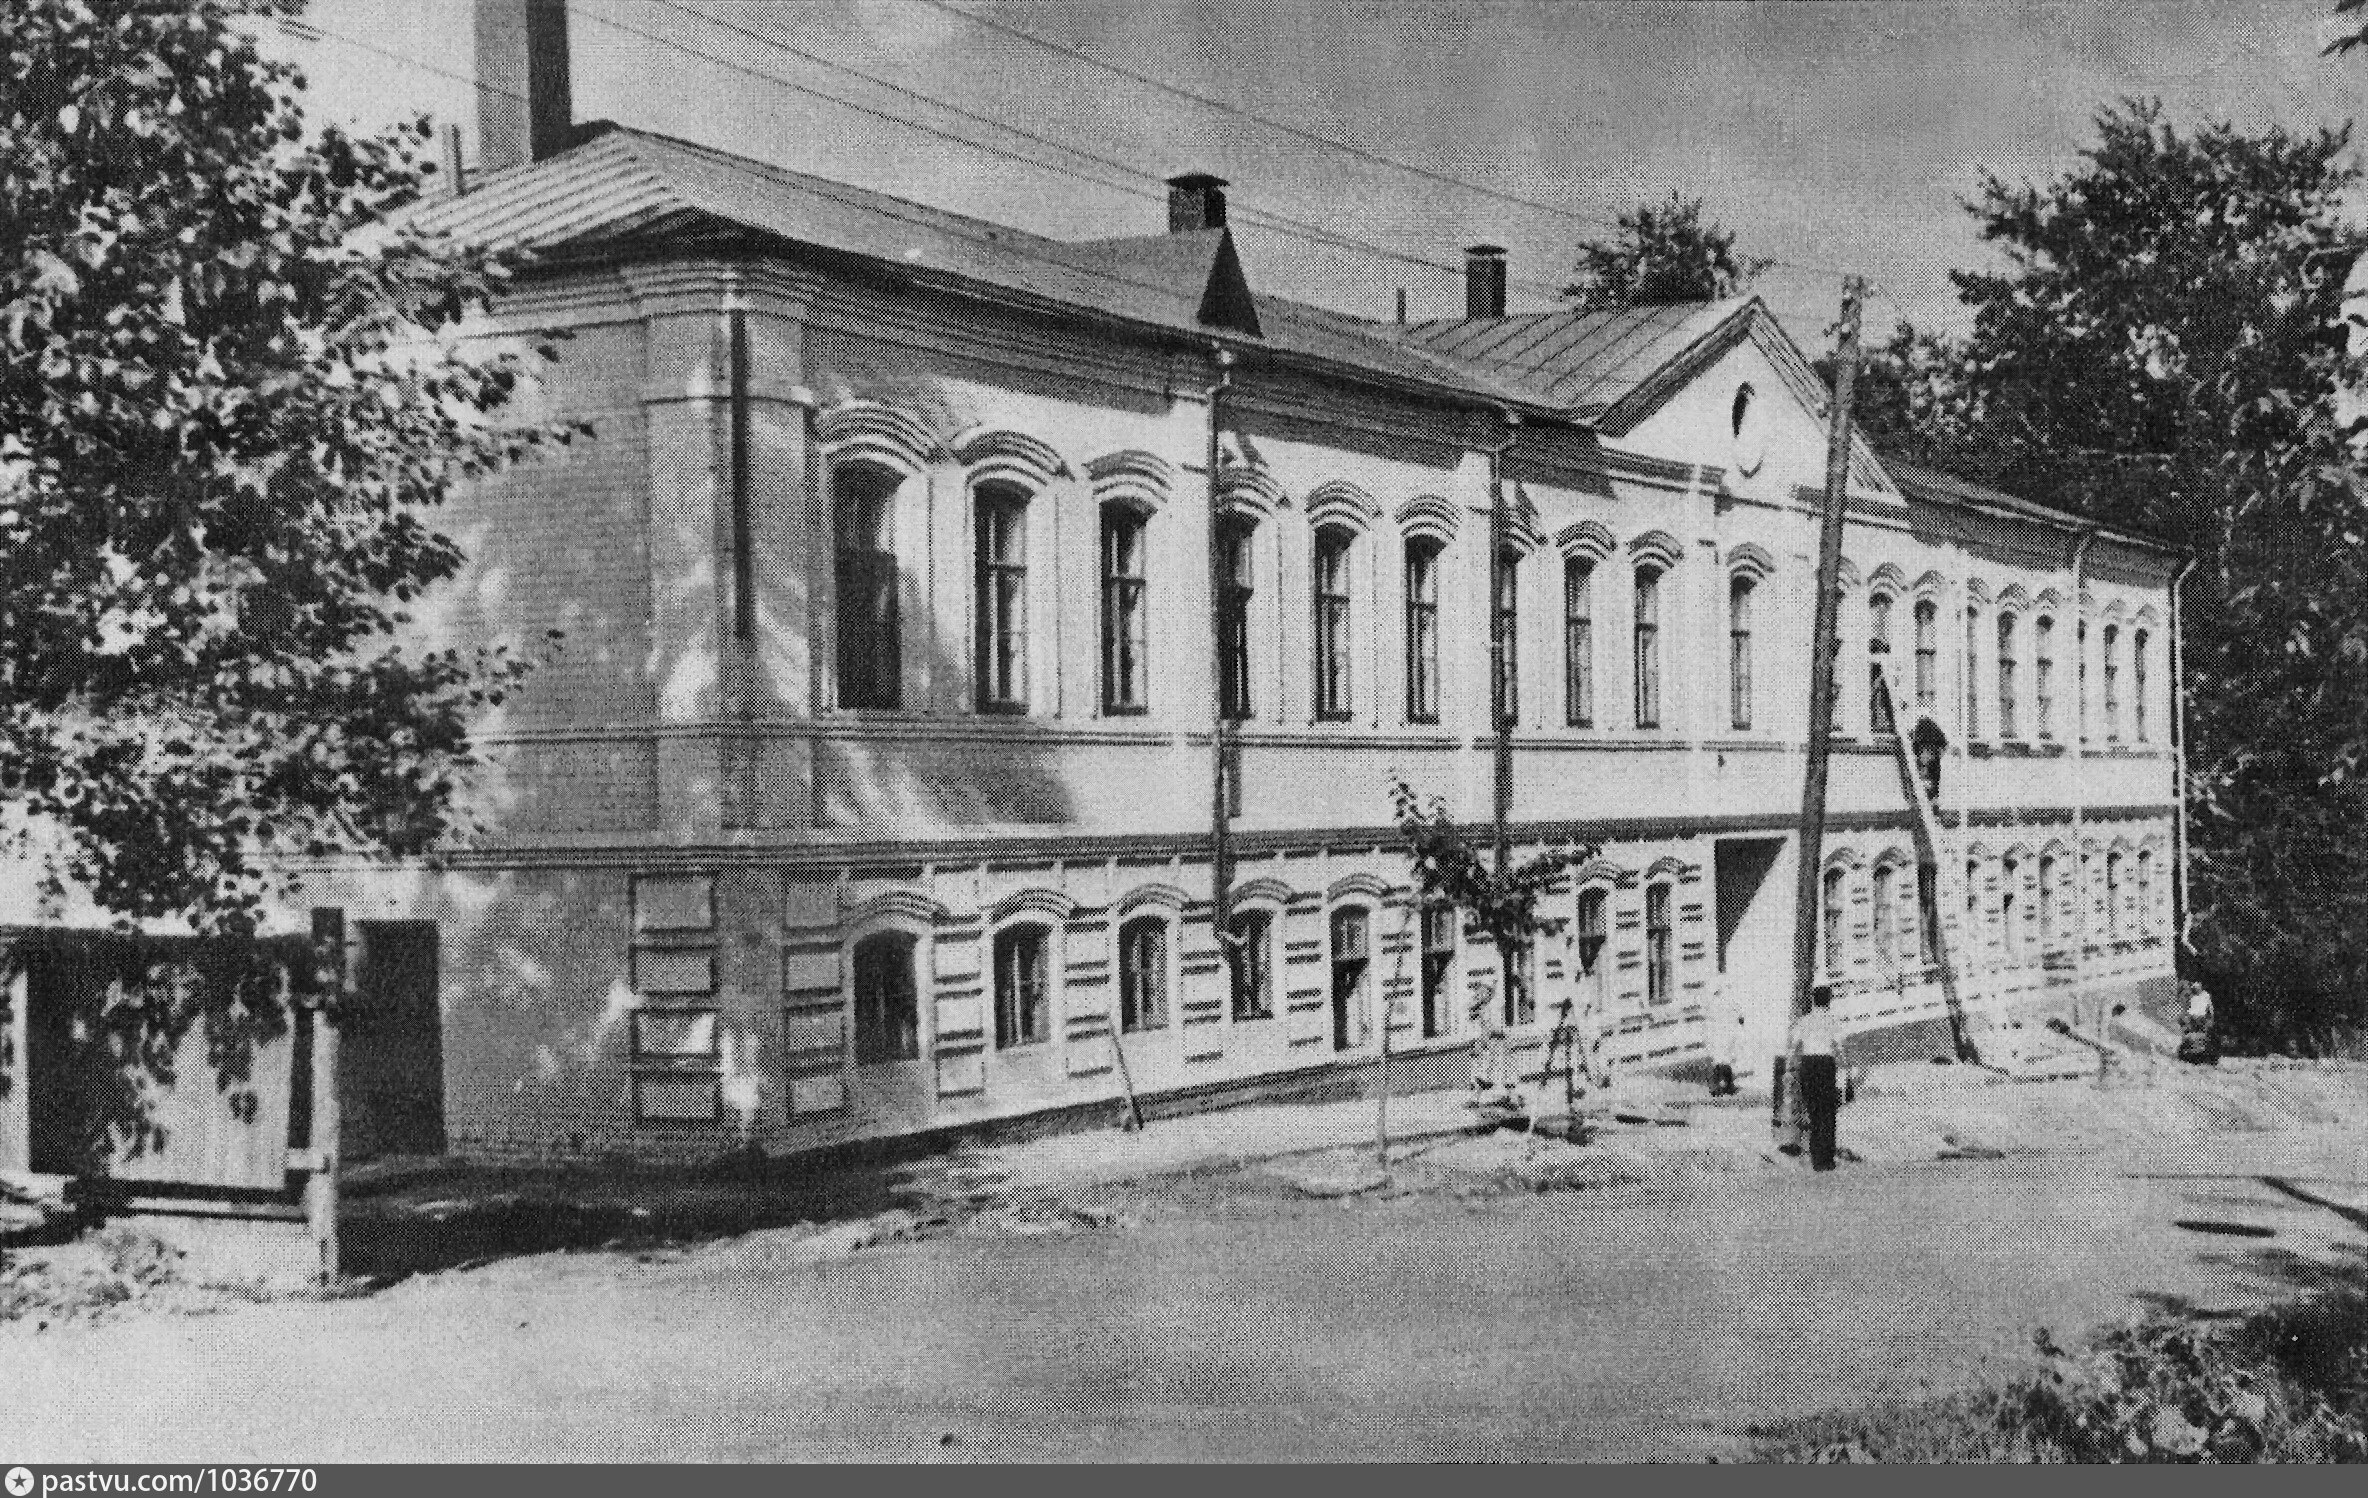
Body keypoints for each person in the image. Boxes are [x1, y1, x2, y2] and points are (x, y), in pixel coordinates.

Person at [1788, 983, 1847, 1171]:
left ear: (1814, 1000)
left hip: (1808, 1064)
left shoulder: (1804, 1021)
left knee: (1813, 1110)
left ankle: (1816, 1157)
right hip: (1825, 1064)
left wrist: (1790, 1066)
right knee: (1827, 1112)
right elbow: (1840, 1047)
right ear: (1829, 1000)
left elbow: (1793, 1044)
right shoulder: (1833, 1020)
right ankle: (1826, 1159)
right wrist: (1845, 1072)